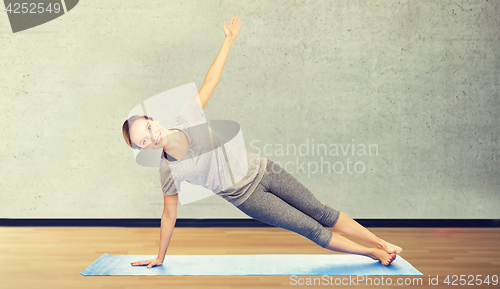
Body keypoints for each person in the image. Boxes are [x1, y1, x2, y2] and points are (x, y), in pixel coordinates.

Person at [123, 15, 402, 269]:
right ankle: (373, 253)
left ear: (154, 119)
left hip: (266, 169)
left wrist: (228, 40)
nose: (151, 136)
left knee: (320, 211)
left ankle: (382, 243)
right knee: (311, 229)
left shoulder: (187, 117)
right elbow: (168, 215)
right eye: (144, 140)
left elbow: (211, 80)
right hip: (249, 198)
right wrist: (161, 257)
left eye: (148, 128)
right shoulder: (168, 171)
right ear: (145, 148)